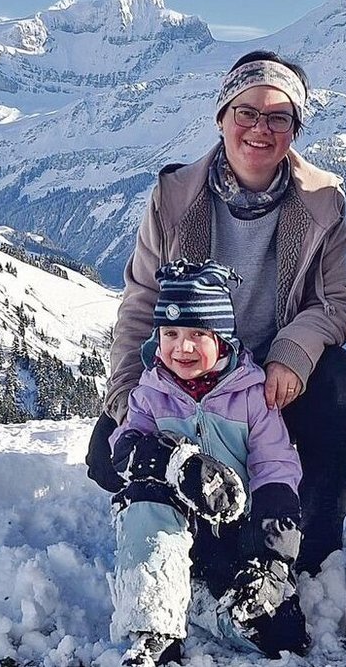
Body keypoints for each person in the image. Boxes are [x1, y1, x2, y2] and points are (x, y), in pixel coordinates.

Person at [90, 49, 346, 575]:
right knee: (107, 456)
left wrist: (292, 353)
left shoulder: (323, 201)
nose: (261, 128)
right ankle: (192, 514)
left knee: (339, 383)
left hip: (268, 376)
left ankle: (315, 538)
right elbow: (142, 301)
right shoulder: (174, 198)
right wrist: (127, 392)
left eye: (278, 117)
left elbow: (336, 302)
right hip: (187, 365)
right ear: (222, 118)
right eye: (247, 112)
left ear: (295, 129)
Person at [109, 259, 309, 664]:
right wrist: (173, 461)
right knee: (145, 494)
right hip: (171, 532)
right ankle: (155, 627)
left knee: (281, 635)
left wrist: (271, 558)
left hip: (238, 536)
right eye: (171, 333)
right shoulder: (151, 394)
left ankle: (199, 601)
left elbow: (275, 470)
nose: (182, 347)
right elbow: (124, 453)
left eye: (198, 333)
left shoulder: (252, 395)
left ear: (222, 338)